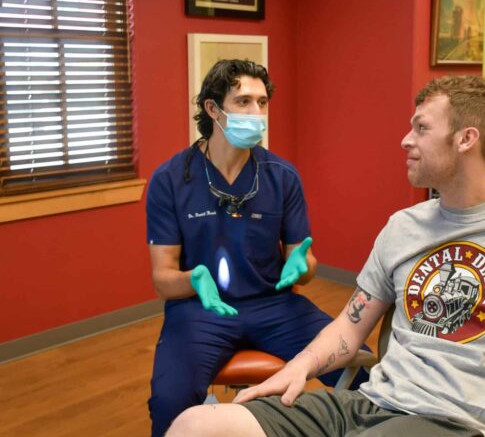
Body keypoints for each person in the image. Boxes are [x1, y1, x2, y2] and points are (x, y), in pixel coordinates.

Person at [166, 75, 485, 437]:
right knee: (196, 425)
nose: (405, 141)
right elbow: (352, 326)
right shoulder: (404, 227)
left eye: (421, 128)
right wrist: (299, 367)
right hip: (368, 405)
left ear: (466, 139)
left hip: (458, 422)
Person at [146, 59, 366, 437]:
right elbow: (163, 278)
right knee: (169, 400)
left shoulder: (281, 175)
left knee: (360, 374)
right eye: (243, 102)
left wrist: (303, 265)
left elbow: (304, 259)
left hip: (273, 305)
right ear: (213, 109)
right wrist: (194, 280)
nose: (256, 113)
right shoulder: (171, 179)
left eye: (262, 103)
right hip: (200, 311)